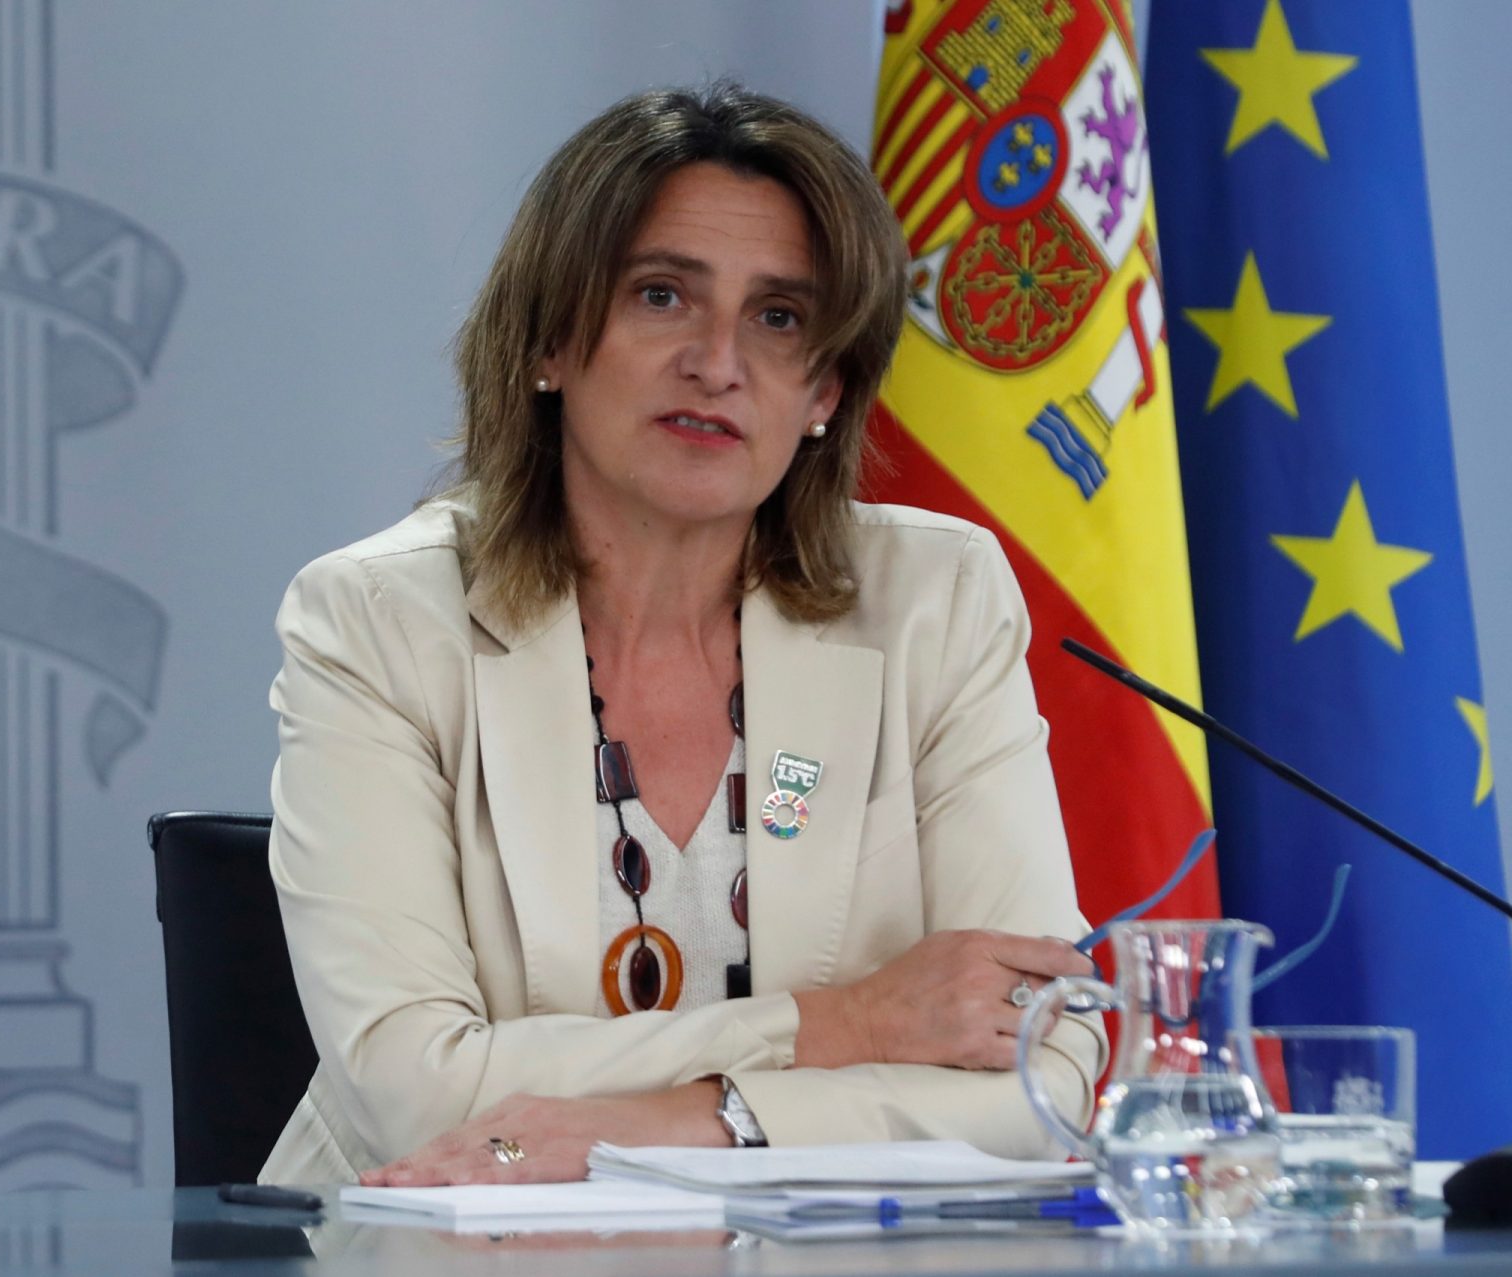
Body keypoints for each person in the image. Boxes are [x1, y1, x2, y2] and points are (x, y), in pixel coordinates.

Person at [260, 83, 1104, 1189]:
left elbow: (1047, 1064)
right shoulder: (379, 621)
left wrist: (708, 1122)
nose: (718, 361)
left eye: (779, 317)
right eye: (663, 296)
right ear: (551, 339)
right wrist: (845, 1023)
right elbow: (414, 1094)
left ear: (825, 391)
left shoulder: (934, 601)